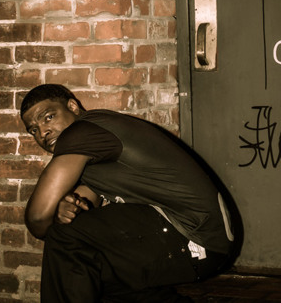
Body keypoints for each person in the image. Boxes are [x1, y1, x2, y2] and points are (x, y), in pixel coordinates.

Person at [21, 84, 238, 302]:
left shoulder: (80, 133)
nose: (43, 132)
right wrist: (67, 207)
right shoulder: (95, 139)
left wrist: (56, 217)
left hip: (195, 237)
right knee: (89, 265)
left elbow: (38, 219)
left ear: (72, 106)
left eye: (48, 117)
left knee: (65, 237)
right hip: (210, 240)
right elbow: (86, 203)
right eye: (33, 130)